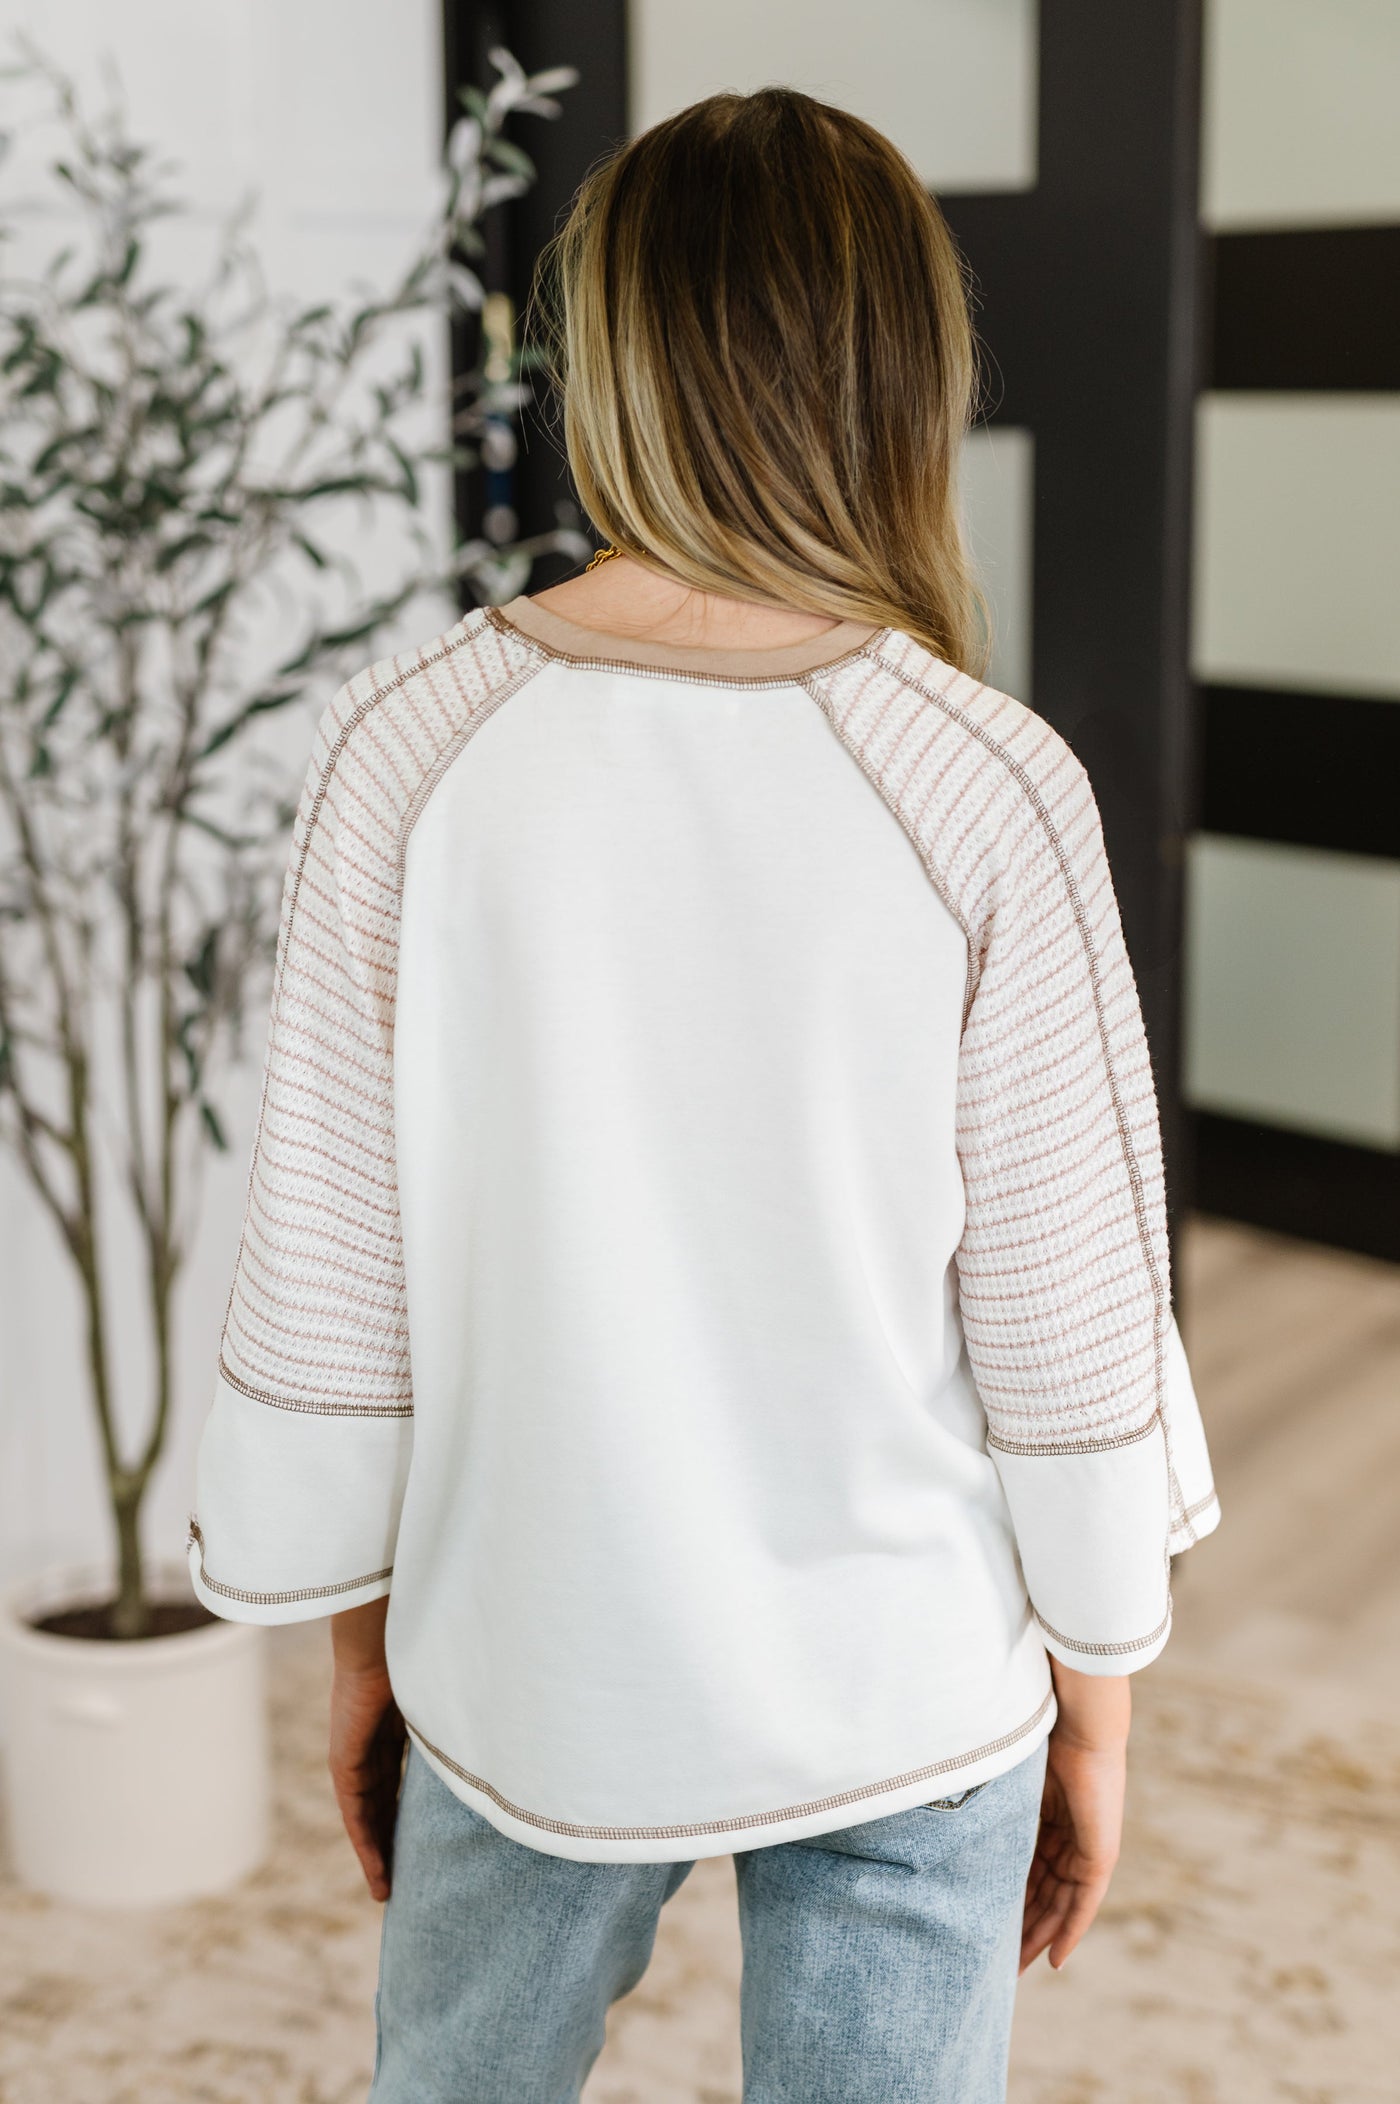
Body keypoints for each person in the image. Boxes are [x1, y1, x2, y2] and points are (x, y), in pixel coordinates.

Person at [188, 86, 1219, 2103]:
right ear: (906, 380)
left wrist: (362, 1649)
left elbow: (334, 1276)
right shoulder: (986, 786)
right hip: (912, 1684)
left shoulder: (408, 749)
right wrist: (1095, 1704)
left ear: (610, 367)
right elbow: (1071, 1323)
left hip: (527, 1653)